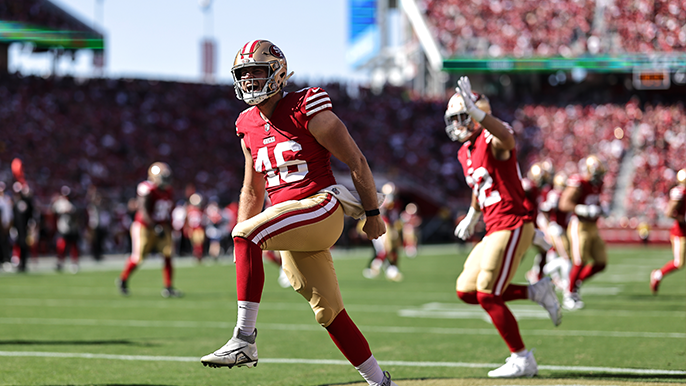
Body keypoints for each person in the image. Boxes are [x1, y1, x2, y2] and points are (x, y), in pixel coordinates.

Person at [200, 40, 397, 386]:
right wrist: (243, 244)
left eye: (256, 72)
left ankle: (244, 340)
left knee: (245, 233)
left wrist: (373, 212)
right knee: (328, 312)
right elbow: (252, 189)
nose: (248, 81)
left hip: (320, 206)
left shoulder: (306, 106)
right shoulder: (246, 124)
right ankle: (380, 381)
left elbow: (356, 161)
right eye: (243, 74)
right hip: (291, 218)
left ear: (277, 73)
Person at [446, 76, 561, 378]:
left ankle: (522, 358)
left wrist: (482, 116)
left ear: (475, 115)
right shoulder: (464, 151)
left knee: (487, 294)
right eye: (454, 118)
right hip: (493, 226)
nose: (457, 124)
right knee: (466, 290)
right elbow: (478, 182)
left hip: (512, 222)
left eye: (462, 116)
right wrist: (473, 214)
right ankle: (536, 292)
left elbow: (507, 137)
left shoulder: (490, 138)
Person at [116, 162, 182, 298]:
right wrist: (155, 226)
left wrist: (168, 226)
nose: (166, 180)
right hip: (144, 226)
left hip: (162, 225)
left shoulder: (168, 191)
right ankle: (123, 279)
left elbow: (167, 211)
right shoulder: (147, 188)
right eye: (163, 177)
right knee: (138, 257)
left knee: (168, 253)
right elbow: (143, 210)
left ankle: (168, 287)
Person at [558, 155, 608, 310]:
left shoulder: (598, 184)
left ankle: (574, 282)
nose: (599, 177)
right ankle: (569, 294)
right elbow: (564, 203)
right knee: (580, 261)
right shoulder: (579, 183)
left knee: (601, 262)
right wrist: (581, 209)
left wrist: (602, 208)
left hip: (593, 226)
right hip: (580, 226)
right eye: (597, 173)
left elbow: (595, 200)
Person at [650, 168, 686, 294]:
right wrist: (682, 218)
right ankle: (658, 275)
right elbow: (669, 212)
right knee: (679, 262)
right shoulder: (681, 192)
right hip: (681, 233)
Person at [52, 186, 81, 273]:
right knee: (61, 246)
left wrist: (71, 211)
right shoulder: (59, 203)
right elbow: (54, 211)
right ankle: (60, 262)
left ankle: (74, 262)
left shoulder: (74, 203)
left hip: (73, 228)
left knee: (73, 246)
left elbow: (78, 213)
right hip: (63, 228)